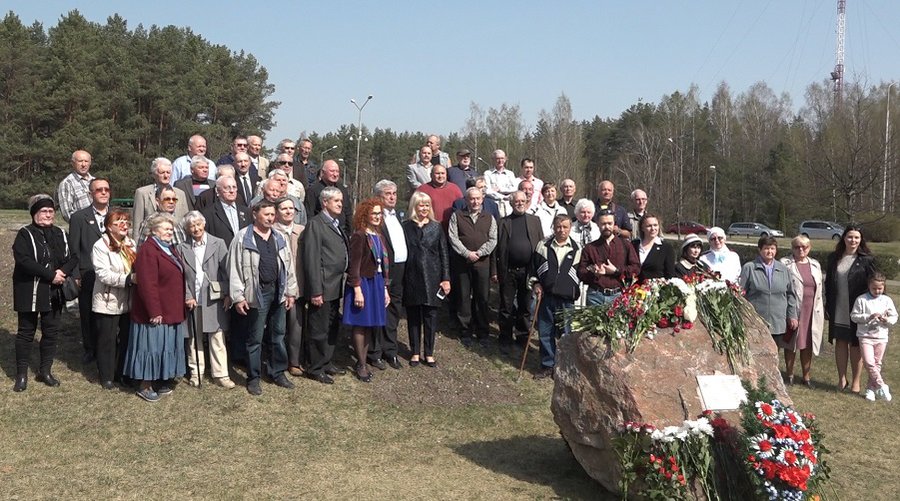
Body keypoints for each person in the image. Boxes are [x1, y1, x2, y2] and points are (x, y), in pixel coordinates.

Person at [228, 200, 298, 396]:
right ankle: (253, 378)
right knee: (255, 338)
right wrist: (238, 297)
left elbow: (288, 266)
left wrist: (290, 291)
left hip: (278, 291)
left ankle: (278, 372)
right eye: (266, 214)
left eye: (272, 214)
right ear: (255, 215)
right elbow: (234, 269)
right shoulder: (243, 238)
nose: (270, 218)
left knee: (278, 335)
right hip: (257, 293)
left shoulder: (278, 237)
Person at [12, 195, 77, 392]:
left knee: (51, 331)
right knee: (26, 332)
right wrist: (50, 275)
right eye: (43, 211)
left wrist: (62, 272)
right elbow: (24, 260)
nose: (48, 215)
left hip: (54, 291)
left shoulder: (60, 233)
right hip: (30, 289)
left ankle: (45, 370)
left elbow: (73, 257)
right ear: (34, 214)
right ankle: (21, 374)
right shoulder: (25, 234)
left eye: (51, 211)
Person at [123, 213, 187, 402]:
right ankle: (145, 385)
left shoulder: (169, 248)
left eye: (171, 229)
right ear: (154, 230)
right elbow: (147, 284)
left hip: (171, 308)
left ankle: (163, 378)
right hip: (155, 311)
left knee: (166, 346)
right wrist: (154, 311)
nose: (170, 232)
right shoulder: (148, 250)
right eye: (166, 229)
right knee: (151, 346)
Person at [178, 211, 235, 389]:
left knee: (217, 337)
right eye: (191, 226)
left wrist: (228, 294)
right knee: (193, 338)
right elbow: (180, 276)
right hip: (193, 299)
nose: (196, 229)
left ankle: (221, 374)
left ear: (204, 224)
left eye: (198, 224)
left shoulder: (218, 243)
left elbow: (227, 270)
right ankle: (196, 372)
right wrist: (187, 296)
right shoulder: (182, 247)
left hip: (214, 298)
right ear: (187, 229)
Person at [300, 186, 350, 385]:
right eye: (336, 201)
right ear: (325, 203)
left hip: (336, 285)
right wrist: (316, 291)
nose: (340, 204)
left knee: (331, 326)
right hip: (322, 286)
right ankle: (315, 367)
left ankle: (326, 361)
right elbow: (311, 259)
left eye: (341, 200)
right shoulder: (316, 224)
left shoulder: (335, 223)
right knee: (318, 328)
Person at [343, 198, 391, 382]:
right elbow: (354, 265)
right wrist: (357, 289)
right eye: (374, 213)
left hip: (376, 282)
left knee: (371, 323)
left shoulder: (379, 235)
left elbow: (382, 265)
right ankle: (361, 364)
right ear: (366, 215)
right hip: (362, 284)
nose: (378, 216)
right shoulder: (360, 236)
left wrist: (385, 288)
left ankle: (362, 361)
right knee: (360, 323)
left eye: (380, 213)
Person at [824, 224, 876, 393]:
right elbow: (828, 283)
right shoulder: (834, 258)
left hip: (857, 309)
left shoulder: (866, 260)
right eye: (850, 237)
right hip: (838, 307)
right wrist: (827, 304)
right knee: (840, 342)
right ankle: (842, 379)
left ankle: (856, 382)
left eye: (856, 237)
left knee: (855, 344)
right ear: (844, 238)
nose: (853, 240)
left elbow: (875, 284)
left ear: (861, 240)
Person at [402, 192, 450, 368]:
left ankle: (429, 353)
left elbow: (444, 253)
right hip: (412, 276)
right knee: (413, 316)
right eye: (421, 205)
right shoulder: (406, 226)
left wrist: (446, 278)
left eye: (427, 205)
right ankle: (415, 351)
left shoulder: (436, 227)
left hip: (432, 276)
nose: (424, 208)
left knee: (431, 316)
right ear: (414, 206)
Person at [91, 209, 136, 390]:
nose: (125, 226)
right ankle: (106, 376)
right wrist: (127, 279)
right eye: (120, 222)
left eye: (126, 222)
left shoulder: (131, 243)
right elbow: (102, 274)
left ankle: (121, 373)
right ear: (109, 227)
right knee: (107, 340)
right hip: (107, 300)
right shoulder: (100, 245)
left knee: (125, 338)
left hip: (128, 301)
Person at [492, 191, 543, 352]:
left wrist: (539, 272)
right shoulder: (503, 222)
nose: (520, 203)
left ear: (527, 202)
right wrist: (494, 271)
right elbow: (495, 249)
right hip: (508, 270)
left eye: (523, 201)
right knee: (506, 307)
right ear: (511, 203)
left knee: (525, 306)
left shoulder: (535, 221)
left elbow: (541, 246)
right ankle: (505, 338)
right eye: (517, 201)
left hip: (528, 272)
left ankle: (522, 337)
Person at [532, 215, 582, 380]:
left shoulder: (577, 249)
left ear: (570, 228)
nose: (562, 230)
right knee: (545, 332)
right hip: (546, 296)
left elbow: (581, 273)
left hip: (566, 299)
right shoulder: (543, 245)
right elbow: (533, 267)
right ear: (553, 227)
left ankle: (563, 366)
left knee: (566, 334)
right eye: (558, 226)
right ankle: (547, 365)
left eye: (565, 227)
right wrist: (535, 283)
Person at [448, 187, 498, 345]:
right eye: (472, 198)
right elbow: (453, 237)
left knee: (482, 297)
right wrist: (466, 253)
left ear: (482, 199)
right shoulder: (457, 216)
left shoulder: (489, 217)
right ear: (466, 200)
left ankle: (482, 332)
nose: (475, 201)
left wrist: (480, 253)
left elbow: (493, 239)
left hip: (482, 264)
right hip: (462, 264)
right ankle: (465, 331)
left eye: (478, 198)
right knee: (463, 297)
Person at [69, 178, 110, 364]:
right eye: (99, 190)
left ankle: (107, 346)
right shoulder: (79, 217)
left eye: (106, 189)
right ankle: (90, 348)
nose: (103, 192)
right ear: (90, 193)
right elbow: (74, 248)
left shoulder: (116, 215)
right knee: (88, 312)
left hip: (112, 271)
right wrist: (76, 274)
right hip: (88, 272)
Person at [369, 180, 407, 370]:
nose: (392, 197)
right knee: (379, 309)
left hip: (400, 269)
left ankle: (390, 350)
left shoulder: (398, 215)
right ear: (378, 197)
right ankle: (374, 352)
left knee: (394, 311)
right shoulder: (374, 217)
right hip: (382, 270)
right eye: (388, 194)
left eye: (394, 193)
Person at [780, 235, 824, 386]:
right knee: (791, 343)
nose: (800, 250)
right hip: (793, 308)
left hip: (812, 310)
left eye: (804, 247)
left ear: (809, 248)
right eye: (797, 247)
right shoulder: (785, 263)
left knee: (808, 343)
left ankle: (806, 376)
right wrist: (789, 313)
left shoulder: (815, 265)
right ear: (792, 248)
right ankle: (789, 374)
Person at [739, 236, 799, 348]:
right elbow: (740, 293)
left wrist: (792, 315)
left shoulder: (784, 269)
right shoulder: (749, 268)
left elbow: (790, 295)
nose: (769, 251)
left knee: (774, 352)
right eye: (766, 248)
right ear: (759, 250)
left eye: (772, 248)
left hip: (778, 321)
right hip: (756, 320)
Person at [850, 273, 897, 401]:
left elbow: (894, 317)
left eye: (880, 288)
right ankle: (882, 385)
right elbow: (854, 316)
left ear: (884, 287)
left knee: (877, 363)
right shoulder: (861, 299)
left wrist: (886, 320)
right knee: (869, 362)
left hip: (881, 336)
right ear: (869, 286)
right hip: (865, 336)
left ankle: (870, 389)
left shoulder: (887, 300)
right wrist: (868, 317)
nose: (877, 291)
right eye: (874, 288)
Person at [578, 210, 640, 305]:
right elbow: (581, 272)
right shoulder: (590, 248)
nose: (607, 227)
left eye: (609, 223)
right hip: (595, 295)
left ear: (614, 224)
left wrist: (616, 271)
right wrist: (594, 273)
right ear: (598, 224)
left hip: (618, 295)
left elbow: (636, 269)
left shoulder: (626, 245)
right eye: (603, 224)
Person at [272, 198, 306, 377]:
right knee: (277, 327)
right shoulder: (270, 231)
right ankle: (276, 360)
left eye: (291, 208)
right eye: (284, 208)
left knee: (295, 325)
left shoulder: (302, 231)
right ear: (276, 212)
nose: (288, 212)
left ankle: (294, 361)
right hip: (276, 287)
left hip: (297, 286)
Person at [132, 158, 189, 238]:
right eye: (162, 173)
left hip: (178, 239)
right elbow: (137, 223)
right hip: (152, 240)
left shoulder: (180, 193)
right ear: (154, 174)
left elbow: (186, 221)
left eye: (168, 172)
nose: (166, 176)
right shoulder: (142, 193)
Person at [632, 213, 675, 280]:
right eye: (649, 226)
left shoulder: (667, 248)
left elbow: (670, 275)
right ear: (642, 228)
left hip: (655, 286)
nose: (653, 228)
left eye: (655, 225)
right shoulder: (633, 245)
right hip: (633, 285)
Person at [57, 150, 95, 222]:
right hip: (82, 226)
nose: (83, 164)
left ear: (90, 163)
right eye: (80, 161)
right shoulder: (67, 183)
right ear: (73, 163)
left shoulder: (96, 181)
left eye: (86, 161)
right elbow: (67, 213)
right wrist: (84, 224)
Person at [483, 149, 517, 217]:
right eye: (497, 158)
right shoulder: (487, 173)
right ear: (493, 160)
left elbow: (515, 188)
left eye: (502, 158)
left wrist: (500, 189)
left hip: (509, 206)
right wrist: (504, 197)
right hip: (494, 205)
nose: (500, 161)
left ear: (505, 159)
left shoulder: (510, 174)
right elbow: (488, 191)